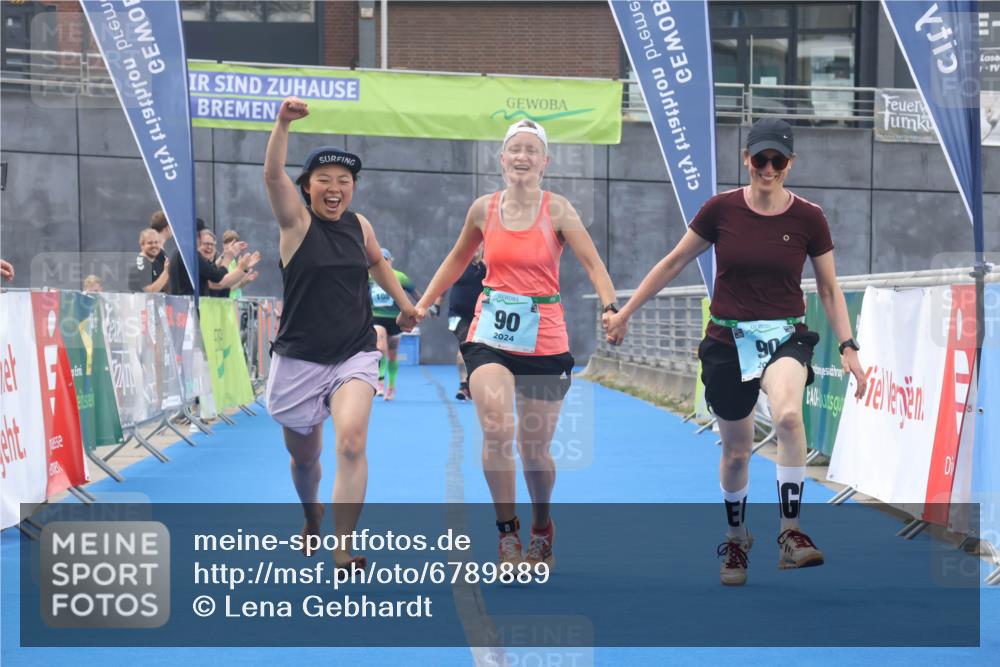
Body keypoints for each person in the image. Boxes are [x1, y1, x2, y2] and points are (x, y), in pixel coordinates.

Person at [604, 118, 867, 586]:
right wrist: (625, 313)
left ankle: (791, 532)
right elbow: (673, 261)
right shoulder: (720, 210)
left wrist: (848, 345)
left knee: (788, 415)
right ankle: (736, 536)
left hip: (785, 335)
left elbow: (828, 288)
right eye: (760, 159)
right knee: (737, 452)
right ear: (746, 159)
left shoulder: (809, 217)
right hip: (727, 340)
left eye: (778, 161)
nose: (769, 169)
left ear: (791, 163)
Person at [413, 119, 619, 571]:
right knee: (496, 428)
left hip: (544, 337)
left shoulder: (559, 209)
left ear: (545, 162)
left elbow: (592, 262)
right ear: (502, 159)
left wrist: (610, 308)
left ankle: (542, 526)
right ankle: (507, 534)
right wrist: (423, 303)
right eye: (514, 150)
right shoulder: (483, 210)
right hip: (491, 334)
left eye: (531, 150)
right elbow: (456, 259)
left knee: (534, 449)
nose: (522, 157)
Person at [263, 96, 418, 570]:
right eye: (324, 181)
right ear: (306, 188)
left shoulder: (360, 224)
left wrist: (407, 305)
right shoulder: (295, 223)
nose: (335, 188)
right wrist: (282, 124)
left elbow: (376, 262)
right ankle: (312, 515)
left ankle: (343, 546)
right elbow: (272, 177)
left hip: (353, 352)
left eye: (344, 182)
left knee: (351, 441)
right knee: (305, 460)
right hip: (299, 358)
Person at [370, 248, 434, 400]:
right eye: (381, 259)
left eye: (386, 260)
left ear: (391, 261)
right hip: (377, 317)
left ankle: (391, 387)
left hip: (396, 319)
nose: (384, 263)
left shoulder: (400, 277)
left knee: (392, 355)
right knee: (380, 348)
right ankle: (380, 383)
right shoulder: (370, 275)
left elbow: (415, 294)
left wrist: (425, 307)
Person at [169, 221, 259, 297]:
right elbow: (218, 280)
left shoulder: (180, 253)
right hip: (190, 311)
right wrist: (240, 267)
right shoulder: (189, 255)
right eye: (205, 243)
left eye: (212, 244)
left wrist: (242, 268)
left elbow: (211, 271)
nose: (209, 248)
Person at [446, 244, 486, 401]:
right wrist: (434, 304)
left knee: (479, 350)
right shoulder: (459, 264)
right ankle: (463, 385)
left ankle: (473, 383)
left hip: (482, 315)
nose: (474, 248)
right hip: (457, 315)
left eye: (478, 245)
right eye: (473, 244)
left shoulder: (489, 266)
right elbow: (443, 283)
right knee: (465, 343)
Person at [128, 228, 170, 293]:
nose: (154, 245)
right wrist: (166, 271)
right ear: (142, 245)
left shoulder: (157, 264)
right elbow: (149, 292)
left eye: (156, 242)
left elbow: (164, 288)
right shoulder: (140, 263)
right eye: (150, 243)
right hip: (141, 302)